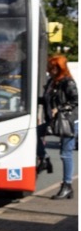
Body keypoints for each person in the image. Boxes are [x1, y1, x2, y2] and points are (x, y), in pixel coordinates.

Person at [40, 54, 77, 199]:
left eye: (53, 68)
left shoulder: (68, 82)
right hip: (54, 121)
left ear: (60, 68)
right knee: (34, 134)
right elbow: (45, 100)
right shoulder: (52, 82)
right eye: (50, 67)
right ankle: (44, 159)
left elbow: (75, 101)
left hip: (68, 122)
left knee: (65, 153)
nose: (50, 70)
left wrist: (60, 109)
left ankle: (67, 186)